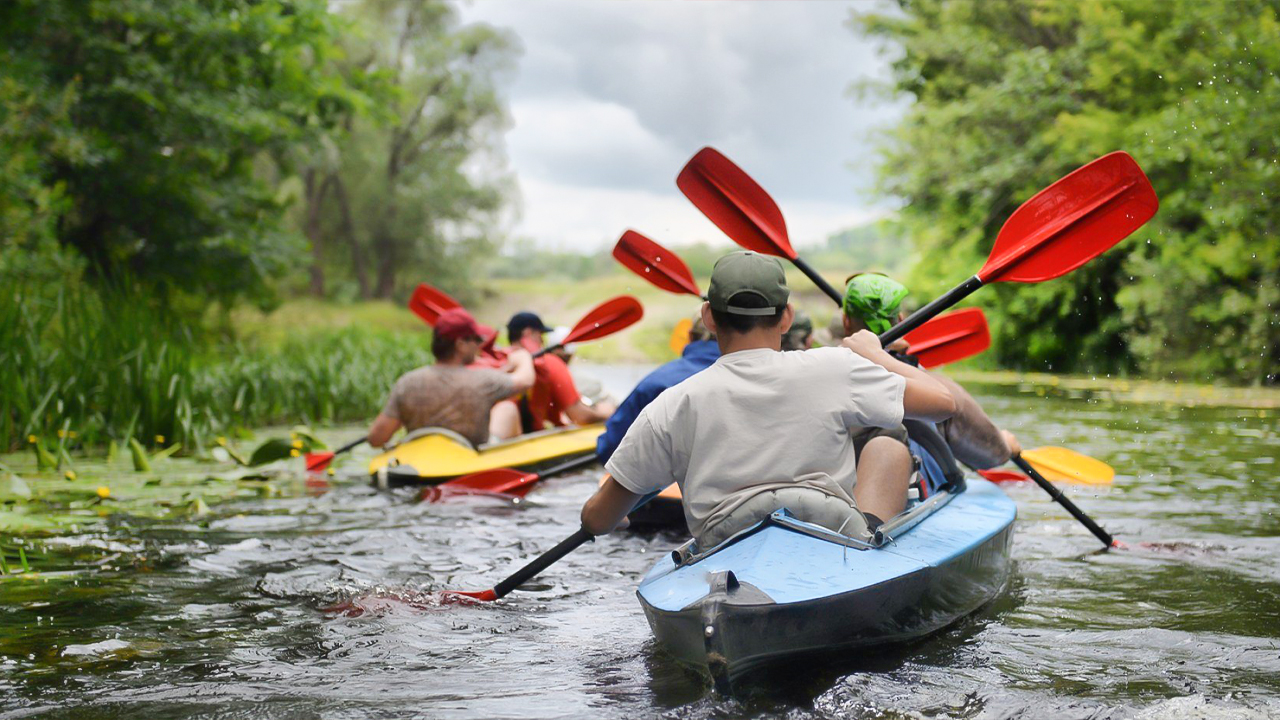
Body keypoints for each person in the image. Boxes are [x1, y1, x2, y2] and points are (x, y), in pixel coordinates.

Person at [580, 251, 956, 546]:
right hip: (831, 531)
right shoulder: (834, 366)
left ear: (709, 317)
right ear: (787, 317)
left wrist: (617, 516)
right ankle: (873, 537)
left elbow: (598, 521)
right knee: (887, 440)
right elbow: (943, 403)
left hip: (723, 542)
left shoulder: (673, 403)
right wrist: (877, 355)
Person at [839, 273, 1021, 486]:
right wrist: (1007, 446)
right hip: (908, 497)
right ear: (900, 320)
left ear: (845, 322)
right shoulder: (936, 392)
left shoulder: (817, 371)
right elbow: (990, 455)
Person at [367, 308, 535, 449]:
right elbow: (526, 381)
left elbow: (376, 439)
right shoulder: (484, 381)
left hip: (420, 467)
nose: (478, 345)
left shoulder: (407, 383)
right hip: (469, 465)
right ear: (460, 344)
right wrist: (523, 357)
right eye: (476, 340)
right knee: (508, 409)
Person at [595, 316, 719, 463]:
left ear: (690, 336)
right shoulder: (748, 378)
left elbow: (612, 447)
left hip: (665, 480)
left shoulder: (656, 381)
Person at [493, 311, 615, 438]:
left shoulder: (496, 362)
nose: (542, 340)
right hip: (532, 443)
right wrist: (605, 413)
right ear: (528, 333)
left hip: (495, 444)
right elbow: (581, 417)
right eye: (541, 334)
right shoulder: (550, 362)